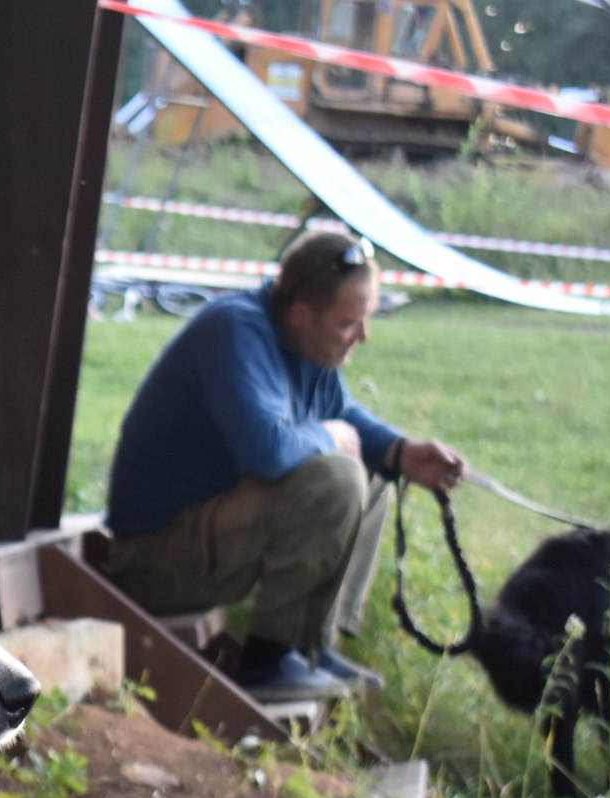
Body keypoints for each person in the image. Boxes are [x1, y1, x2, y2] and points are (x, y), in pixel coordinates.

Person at [103, 231, 467, 698]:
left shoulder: (305, 341)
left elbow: (342, 413)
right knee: (337, 475)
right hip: (154, 562)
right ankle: (267, 662)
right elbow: (267, 451)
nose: (363, 335)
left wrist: (401, 452)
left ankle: (311, 646)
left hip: (207, 537)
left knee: (372, 466)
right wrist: (331, 436)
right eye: (349, 323)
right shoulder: (235, 329)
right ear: (301, 314)